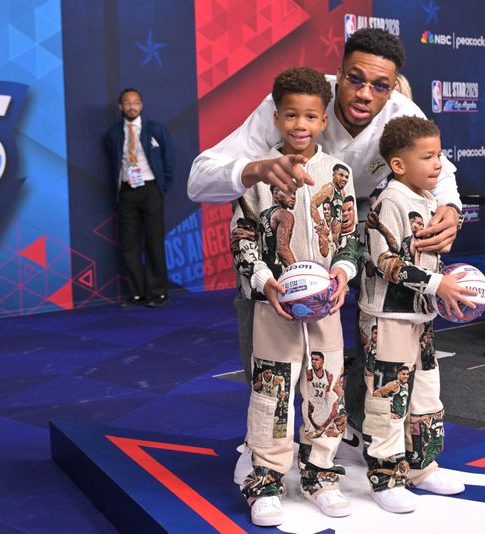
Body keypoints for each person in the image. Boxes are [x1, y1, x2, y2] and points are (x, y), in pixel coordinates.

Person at [189, 28, 463, 473]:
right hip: (284, 239)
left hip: (349, 237)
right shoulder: (298, 100)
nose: (365, 93)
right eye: (355, 79)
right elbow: (200, 179)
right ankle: (259, 444)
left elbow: (441, 170)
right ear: (338, 75)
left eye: (379, 85)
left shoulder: (399, 110)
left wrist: (451, 208)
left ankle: (347, 427)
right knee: (265, 324)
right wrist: (256, 167)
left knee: (363, 332)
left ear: (392, 88)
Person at [229, 67, 359, 527]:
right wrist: (265, 281)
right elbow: (242, 236)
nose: (300, 125)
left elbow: (349, 238)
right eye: (290, 115)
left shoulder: (338, 174)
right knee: (271, 394)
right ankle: (265, 480)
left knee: (327, 392)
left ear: (324, 121)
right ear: (277, 117)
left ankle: (321, 475)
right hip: (274, 305)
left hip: (326, 308)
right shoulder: (259, 173)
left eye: (310, 116)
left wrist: (342, 274)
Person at [359, 115, 476, 513]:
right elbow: (385, 261)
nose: (438, 165)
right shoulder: (391, 199)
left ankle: (421, 467)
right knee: (388, 399)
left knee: (425, 393)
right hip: (387, 319)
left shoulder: (428, 200)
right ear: (398, 165)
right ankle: (385, 476)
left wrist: (444, 286)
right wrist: (436, 285)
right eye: (427, 157)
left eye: (439, 155)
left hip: (419, 319)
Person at [104, 88, 173, 308]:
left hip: (151, 189)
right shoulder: (114, 134)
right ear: (120, 107)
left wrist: (161, 187)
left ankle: (158, 292)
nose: (132, 106)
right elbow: (112, 160)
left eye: (136, 102)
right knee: (129, 244)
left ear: (141, 105)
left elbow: (168, 161)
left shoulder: (155, 130)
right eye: (127, 102)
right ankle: (135, 293)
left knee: (154, 242)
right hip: (126, 191)